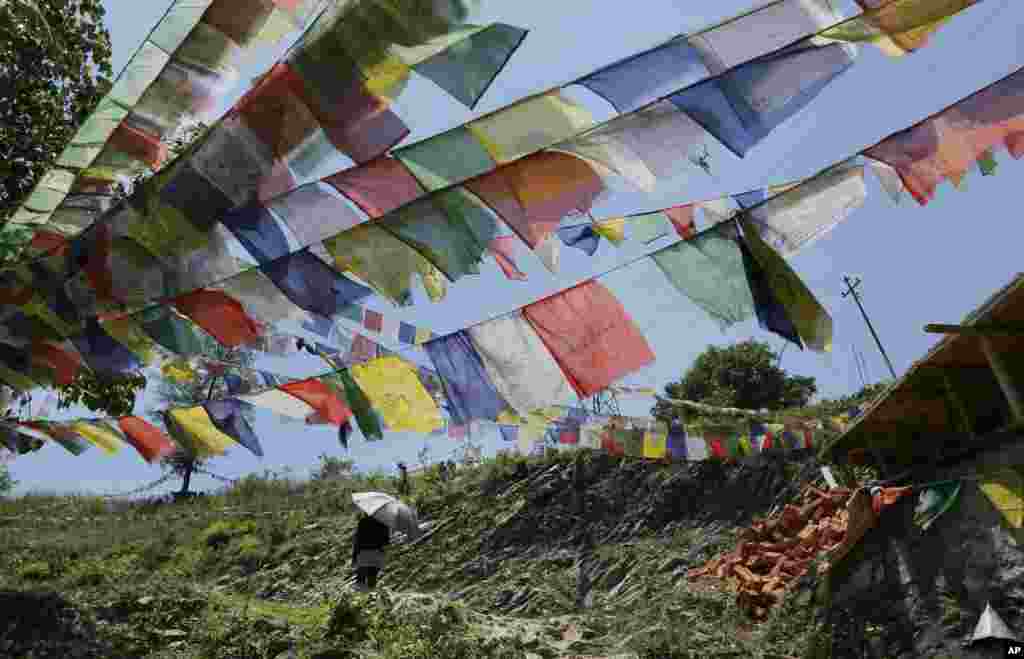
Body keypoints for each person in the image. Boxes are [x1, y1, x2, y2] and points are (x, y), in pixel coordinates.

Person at [352, 511, 390, 591]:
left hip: (363, 555)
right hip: (376, 554)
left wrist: (354, 557)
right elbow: (386, 542)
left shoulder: (362, 522)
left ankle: (360, 601)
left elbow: (357, 542)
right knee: (372, 581)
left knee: (360, 582)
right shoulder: (383, 523)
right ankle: (371, 599)